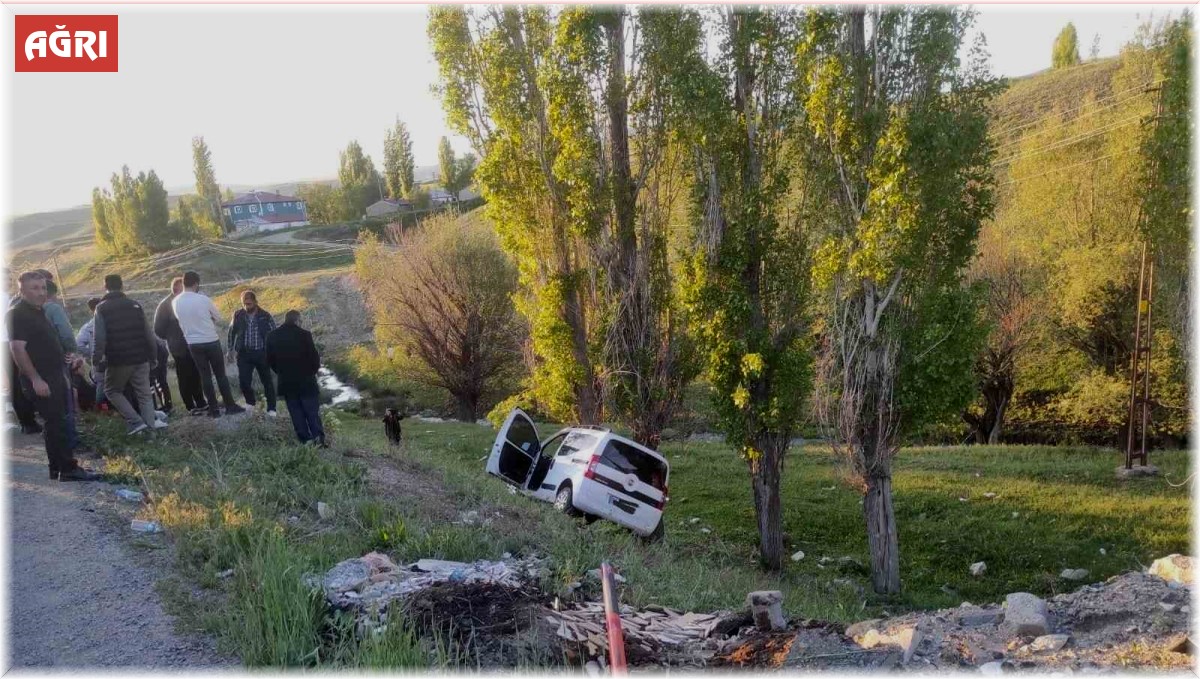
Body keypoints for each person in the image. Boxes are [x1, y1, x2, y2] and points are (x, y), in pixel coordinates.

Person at [6, 271, 99, 481]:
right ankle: (68, 468)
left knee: (55, 422)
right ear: (22, 290)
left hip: (54, 375)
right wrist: (36, 379)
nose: (41, 292)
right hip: (41, 378)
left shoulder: (38, 310)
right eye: (35, 288)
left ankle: (58, 468)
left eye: (43, 288)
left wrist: (69, 358)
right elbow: (17, 349)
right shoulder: (17, 313)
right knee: (57, 422)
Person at [93, 274, 164, 435]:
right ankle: (150, 433)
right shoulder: (135, 305)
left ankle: (136, 422)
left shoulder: (101, 308)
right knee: (145, 395)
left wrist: (96, 361)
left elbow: (99, 338)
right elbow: (148, 333)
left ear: (105, 287)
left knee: (112, 390)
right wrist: (153, 356)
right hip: (141, 358)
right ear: (122, 286)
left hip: (118, 360)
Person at [172, 271, 244, 418]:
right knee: (220, 375)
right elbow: (217, 317)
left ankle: (214, 409)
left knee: (205, 376)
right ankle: (230, 405)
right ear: (196, 283)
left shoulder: (175, 301)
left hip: (192, 343)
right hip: (210, 340)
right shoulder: (203, 299)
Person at [265, 309, 325, 446]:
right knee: (312, 412)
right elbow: (315, 359)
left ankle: (305, 440)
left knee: (296, 413)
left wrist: (281, 372)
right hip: (306, 381)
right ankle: (319, 440)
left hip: (286, 382)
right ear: (297, 320)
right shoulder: (305, 335)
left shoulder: (272, 336)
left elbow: (270, 360)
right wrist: (312, 372)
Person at [154, 276, 208, 415]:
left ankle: (201, 402)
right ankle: (190, 406)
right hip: (178, 347)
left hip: (193, 342)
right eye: (181, 287)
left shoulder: (187, 301)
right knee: (184, 376)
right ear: (175, 289)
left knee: (195, 374)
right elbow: (158, 329)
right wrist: (172, 338)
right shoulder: (165, 305)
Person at [228, 290, 278, 416]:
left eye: (249, 304)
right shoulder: (238, 315)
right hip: (244, 354)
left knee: (267, 381)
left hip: (262, 353)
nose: (246, 306)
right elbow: (231, 332)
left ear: (255, 302)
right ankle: (250, 403)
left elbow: (275, 334)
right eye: (244, 304)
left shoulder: (265, 316)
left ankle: (271, 408)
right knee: (244, 381)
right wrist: (230, 350)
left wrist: (275, 352)